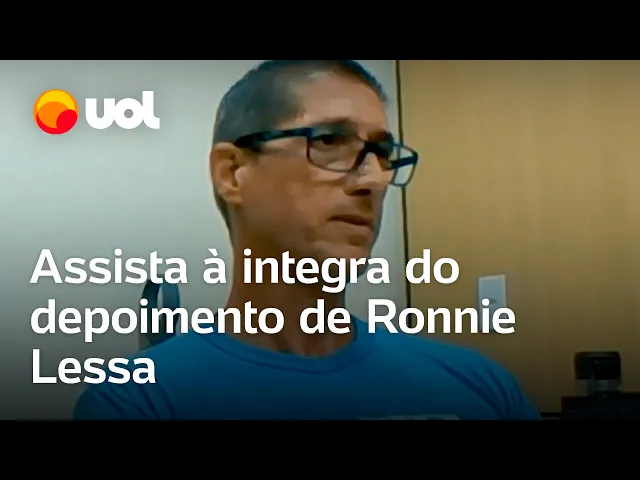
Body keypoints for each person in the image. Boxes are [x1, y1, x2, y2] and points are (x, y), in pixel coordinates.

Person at [74, 60, 539, 420]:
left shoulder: (481, 390)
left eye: (381, 152)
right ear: (233, 173)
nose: (373, 180)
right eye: (330, 141)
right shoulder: (139, 402)